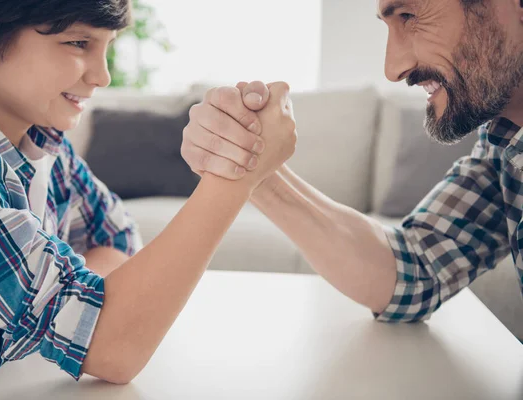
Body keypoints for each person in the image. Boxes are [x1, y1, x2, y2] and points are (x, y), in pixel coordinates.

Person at [0, 1, 297, 398]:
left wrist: (80, 310)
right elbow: (112, 347)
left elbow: (118, 237)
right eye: (79, 42)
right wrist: (234, 175)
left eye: (107, 46)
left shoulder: (42, 142)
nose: (103, 76)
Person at [182, 0, 523, 322]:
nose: (393, 69)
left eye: (410, 15)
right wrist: (250, 162)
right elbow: (416, 270)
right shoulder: (502, 146)